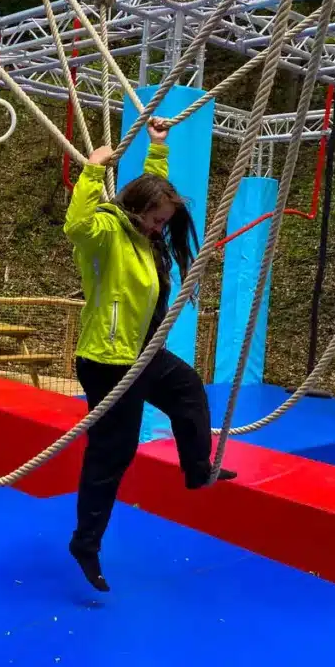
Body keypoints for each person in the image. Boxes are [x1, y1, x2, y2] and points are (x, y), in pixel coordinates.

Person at [63, 117, 236, 593]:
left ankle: (197, 471)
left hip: (143, 352)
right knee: (113, 452)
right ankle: (86, 543)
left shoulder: (146, 235)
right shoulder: (105, 233)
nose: (163, 229)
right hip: (107, 357)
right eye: (157, 220)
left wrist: (157, 148)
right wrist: (93, 172)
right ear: (136, 212)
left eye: (165, 221)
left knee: (188, 392)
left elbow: (154, 188)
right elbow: (74, 224)